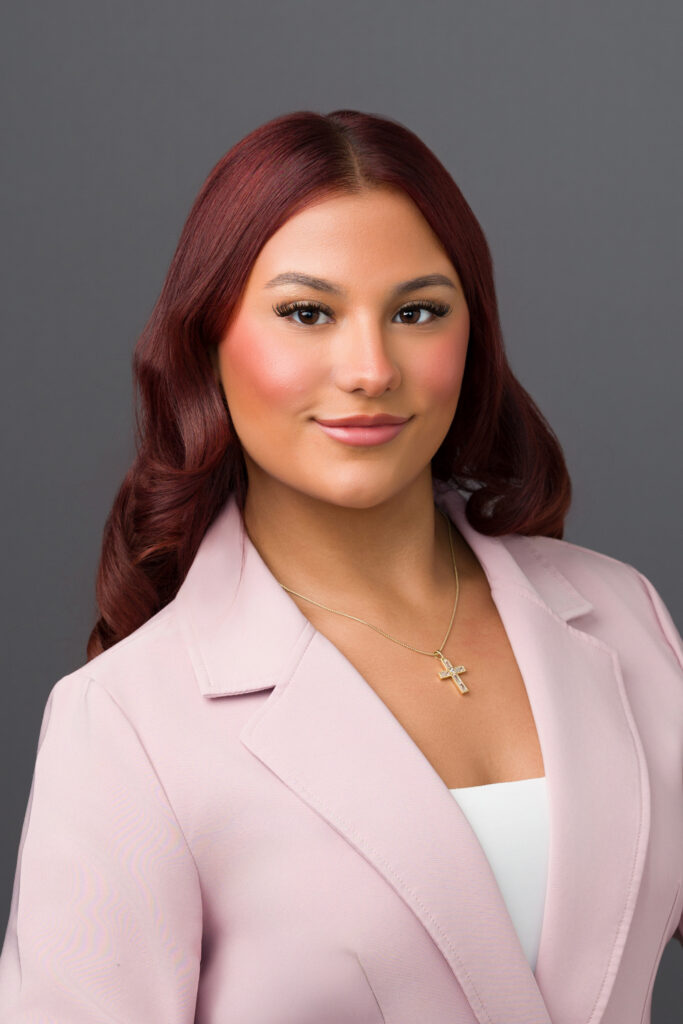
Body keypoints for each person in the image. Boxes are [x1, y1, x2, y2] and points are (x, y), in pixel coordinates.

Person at [0, 108, 680, 1024]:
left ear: (470, 335)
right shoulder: (124, 721)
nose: (369, 368)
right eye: (307, 313)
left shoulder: (622, 612)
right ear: (209, 340)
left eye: (416, 312)